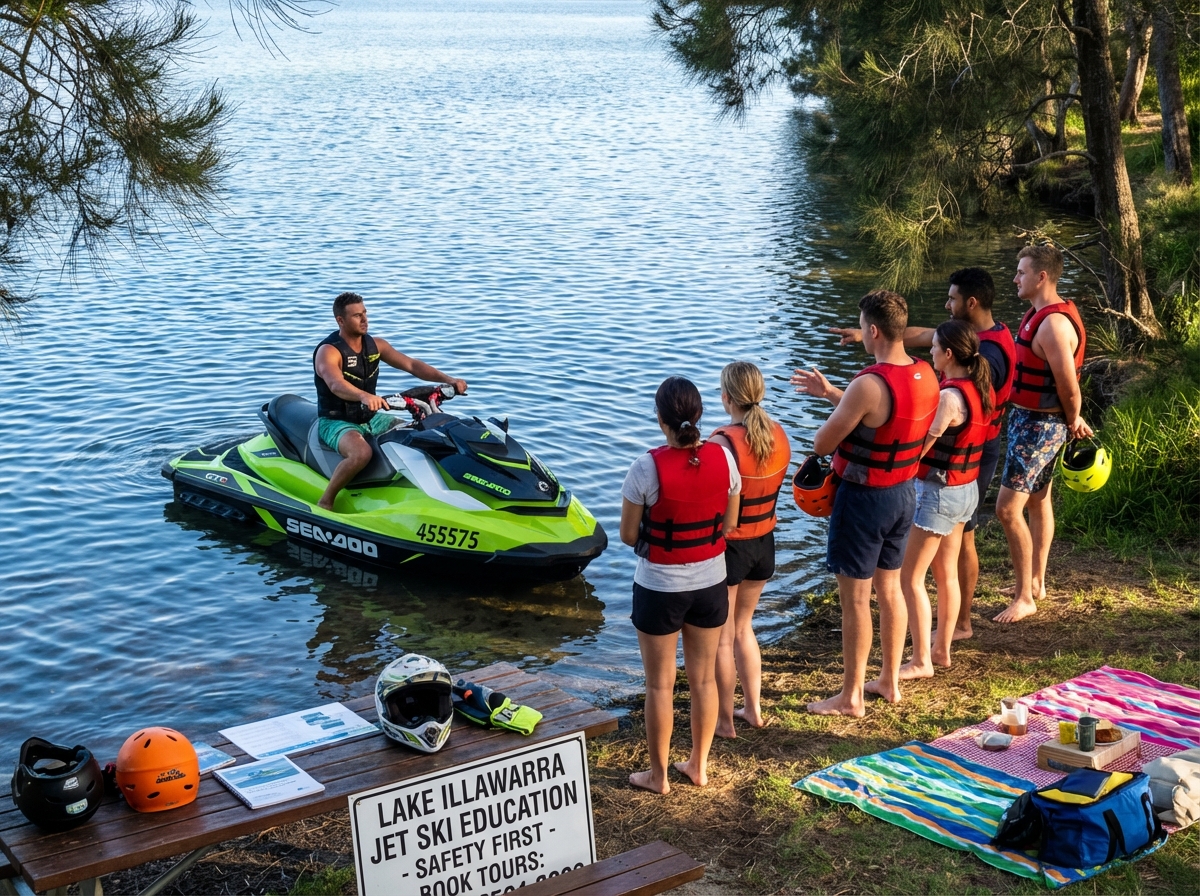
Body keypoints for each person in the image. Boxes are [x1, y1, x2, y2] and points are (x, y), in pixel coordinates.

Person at [831, 267, 1015, 640]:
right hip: (963, 478)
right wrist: (863, 334)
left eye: (951, 299)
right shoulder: (972, 355)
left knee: (910, 576)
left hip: (946, 478)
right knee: (949, 559)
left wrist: (886, 454)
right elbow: (915, 336)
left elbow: (918, 438)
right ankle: (951, 636)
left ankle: (925, 652)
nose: (946, 305)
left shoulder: (958, 386)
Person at [791, 290, 940, 715]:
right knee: (889, 587)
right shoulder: (926, 373)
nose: (860, 332)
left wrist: (837, 401)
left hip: (862, 499)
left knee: (855, 599)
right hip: (903, 494)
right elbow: (885, 419)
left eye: (860, 326)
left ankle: (851, 696)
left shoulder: (868, 383)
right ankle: (890, 682)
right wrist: (831, 393)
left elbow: (823, 442)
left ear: (872, 331)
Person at [620, 376, 741, 793]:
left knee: (660, 684)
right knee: (703, 679)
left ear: (660, 418)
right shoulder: (725, 459)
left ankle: (658, 776)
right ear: (700, 414)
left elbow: (627, 534)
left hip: (659, 587)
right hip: (711, 582)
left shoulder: (645, 467)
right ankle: (699, 765)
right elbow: (729, 524)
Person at [994, 245, 1091, 623]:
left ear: (1042, 277)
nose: (1015, 278)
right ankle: (1035, 582)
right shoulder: (1038, 315)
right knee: (1038, 501)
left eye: (1021, 272)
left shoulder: (1052, 325)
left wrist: (1074, 419)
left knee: (1006, 509)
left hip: (1040, 426)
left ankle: (1024, 597)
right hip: (1029, 420)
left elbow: (1068, 385)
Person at [898, 320, 994, 679]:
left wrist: (897, 471)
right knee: (945, 574)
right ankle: (941, 651)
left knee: (910, 577)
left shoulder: (949, 397)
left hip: (939, 493)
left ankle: (921, 660)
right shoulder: (979, 389)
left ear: (949, 354)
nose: (931, 352)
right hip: (965, 490)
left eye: (934, 347)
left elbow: (923, 446)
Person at [314, 292, 467, 511]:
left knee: (419, 433)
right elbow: (335, 384)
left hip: (372, 417)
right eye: (357, 316)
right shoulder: (329, 351)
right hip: (337, 421)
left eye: (365, 313)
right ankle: (326, 500)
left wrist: (449, 380)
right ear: (341, 320)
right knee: (362, 453)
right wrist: (364, 396)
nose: (365, 319)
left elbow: (412, 365)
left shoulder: (376, 346)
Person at [708, 362, 791, 736]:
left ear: (727, 398)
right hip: (764, 544)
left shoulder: (722, 443)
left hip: (732, 549)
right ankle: (753, 710)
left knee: (723, 635)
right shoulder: (779, 435)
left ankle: (725, 721)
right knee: (744, 628)